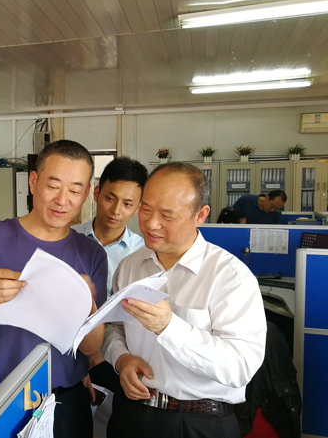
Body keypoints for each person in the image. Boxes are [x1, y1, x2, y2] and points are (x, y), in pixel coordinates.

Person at [0, 140, 108, 438]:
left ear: (86, 194)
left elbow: (91, 348)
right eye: (53, 186)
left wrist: (87, 304)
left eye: (74, 191)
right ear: (33, 182)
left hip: (63, 401)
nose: (62, 200)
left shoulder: (91, 253)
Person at [102, 162, 266, 438]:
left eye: (167, 215)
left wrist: (169, 327)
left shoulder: (230, 277)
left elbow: (240, 367)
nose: (151, 224)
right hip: (131, 412)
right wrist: (122, 358)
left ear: (200, 215)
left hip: (198, 421)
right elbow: (115, 327)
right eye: (146, 209)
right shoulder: (130, 266)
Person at [71, 157, 148, 411]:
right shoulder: (69, 239)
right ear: (96, 194)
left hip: (117, 354)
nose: (116, 210)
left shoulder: (143, 255)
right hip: (70, 351)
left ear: (138, 207)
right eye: (110, 198)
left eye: (127, 204)